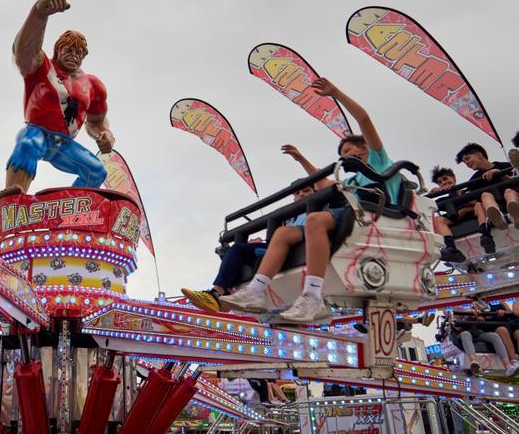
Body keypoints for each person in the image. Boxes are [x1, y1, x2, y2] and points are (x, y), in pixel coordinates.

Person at [222, 77, 401, 323]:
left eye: (349, 152)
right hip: (356, 219)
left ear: (366, 148)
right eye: (343, 155)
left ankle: (313, 296)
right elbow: (322, 183)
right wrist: (301, 160)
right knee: (283, 233)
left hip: (374, 215)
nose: (346, 159)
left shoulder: (380, 162)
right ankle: (256, 291)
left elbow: (364, 119)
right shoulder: (352, 181)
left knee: (316, 219)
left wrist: (336, 92)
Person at [0, 0, 115, 198]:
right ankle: (14, 196)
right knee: (28, 144)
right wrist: (38, 15)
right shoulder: (42, 66)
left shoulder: (93, 85)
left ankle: (69, 209)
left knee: (97, 171)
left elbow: (97, 121)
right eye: (69, 51)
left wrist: (105, 135)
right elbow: (23, 50)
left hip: (65, 143)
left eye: (79, 53)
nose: (74, 56)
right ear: (58, 50)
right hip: (37, 133)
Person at [181, 178, 315, 313]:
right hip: (280, 246)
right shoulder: (290, 216)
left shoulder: (319, 208)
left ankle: (216, 294)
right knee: (239, 250)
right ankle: (225, 296)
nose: (301, 194)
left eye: (306, 191)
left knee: (239, 250)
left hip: (299, 246)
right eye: (297, 193)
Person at [455, 142, 519, 253]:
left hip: (513, 197)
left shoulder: (505, 166)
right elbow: (470, 199)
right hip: (491, 204)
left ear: (479, 155)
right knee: (485, 195)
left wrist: (499, 174)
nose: (467, 163)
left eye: (467, 158)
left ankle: (516, 213)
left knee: (509, 191)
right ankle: (497, 217)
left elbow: (516, 184)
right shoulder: (473, 180)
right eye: (465, 162)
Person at [428, 166, 472, 263]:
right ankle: (451, 248)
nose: (443, 183)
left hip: (473, 215)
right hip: (455, 219)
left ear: (454, 178)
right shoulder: (443, 201)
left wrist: (466, 210)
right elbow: (429, 207)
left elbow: (476, 203)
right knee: (438, 219)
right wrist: (431, 195)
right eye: (439, 182)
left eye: (445, 179)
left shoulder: (467, 191)